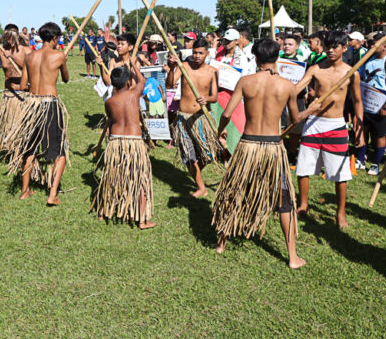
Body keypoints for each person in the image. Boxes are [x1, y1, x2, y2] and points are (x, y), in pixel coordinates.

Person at [213, 38, 318, 265]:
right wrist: (310, 109)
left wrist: (220, 131)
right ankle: (292, 257)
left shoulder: (246, 81)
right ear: (277, 57)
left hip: (248, 145)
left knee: (234, 191)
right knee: (284, 200)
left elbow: (227, 113)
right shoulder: (286, 85)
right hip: (272, 147)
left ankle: (221, 243)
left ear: (256, 58)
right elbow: (294, 119)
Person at [293, 31, 363, 228]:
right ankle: (303, 205)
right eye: (328, 46)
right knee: (303, 167)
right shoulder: (316, 69)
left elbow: (358, 102)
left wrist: (360, 129)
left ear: (344, 48)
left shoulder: (352, 72)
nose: (331, 50)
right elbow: (296, 89)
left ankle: (340, 214)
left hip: (336, 125)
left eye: (335, 47)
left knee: (339, 173)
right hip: (313, 123)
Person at [4, 22, 70, 205]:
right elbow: (66, 79)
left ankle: (25, 191)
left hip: (32, 106)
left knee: (30, 149)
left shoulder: (30, 56)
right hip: (50, 105)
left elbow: (24, 86)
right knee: (60, 152)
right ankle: (52, 194)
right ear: (55, 38)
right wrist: (63, 62)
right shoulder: (59, 55)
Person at [92, 65, 155, 229]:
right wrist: (135, 66)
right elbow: (142, 80)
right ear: (128, 82)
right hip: (133, 142)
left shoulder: (109, 102)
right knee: (140, 179)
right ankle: (142, 220)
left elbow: (112, 120)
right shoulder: (134, 94)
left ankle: (103, 212)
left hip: (115, 141)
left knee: (110, 177)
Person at [165, 38, 223, 198]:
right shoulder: (184, 67)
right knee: (189, 155)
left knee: (208, 154)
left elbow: (214, 96)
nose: (197, 56)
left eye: (200, 53)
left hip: (202, 118)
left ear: (207, 53)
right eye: (195, 52)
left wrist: (207, 99)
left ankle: (195, 171)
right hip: (183, 118)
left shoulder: (213, 71)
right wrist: (171, 68)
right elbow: (169, 85)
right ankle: (201, 187)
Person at [0, 24, 34, 152]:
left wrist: (12, 57)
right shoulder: (1, 50)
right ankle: (11, 149)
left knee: (22, 126)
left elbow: (31, 67)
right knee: (9, 126)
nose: (9, 41)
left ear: (17, 36)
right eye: (7, 38)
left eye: (12, 38)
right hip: (8, 94)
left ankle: (22, 149)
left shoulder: (26, 50)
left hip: (23, 94)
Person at [358, 33, 386, 175]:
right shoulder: (368, 60)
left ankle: (376, 163)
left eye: (375, 44)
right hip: (366, 103)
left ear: (384, 46)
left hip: (381, 105)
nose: (372, 46)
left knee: (379, 135)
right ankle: (360, 159)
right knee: (363, 130)